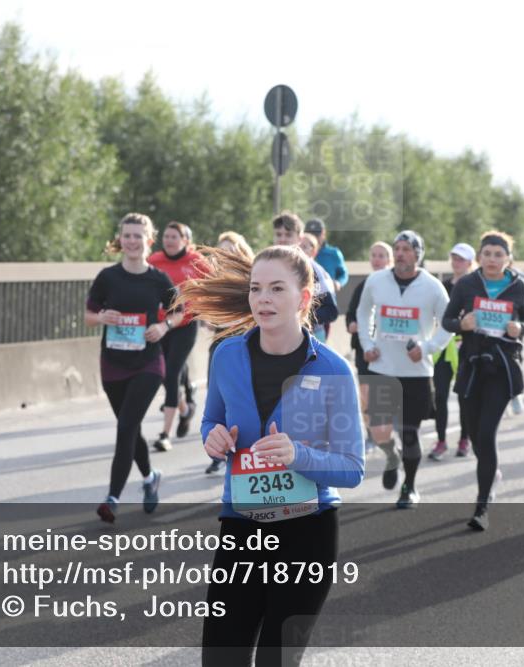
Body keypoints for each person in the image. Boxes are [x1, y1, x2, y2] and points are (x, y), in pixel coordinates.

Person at [179, 244, 364, 667]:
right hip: (242, 525)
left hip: (307, 533)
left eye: (277, 288)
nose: (263, 299)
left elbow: (352, 469)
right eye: (256, 288)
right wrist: (213, 438)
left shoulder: (333, 370)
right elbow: (211, 422)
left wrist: (297, 454)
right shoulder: (226, 355)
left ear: (303, 298)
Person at [85, 214, 177, 522]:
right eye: (127, 235)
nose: (132, 241)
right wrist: (102, 318)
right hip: (112, 364)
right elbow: (88, 315)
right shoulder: (107, 277)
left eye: (138, 236)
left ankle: (112, 498)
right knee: (130, 427)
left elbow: (181, 312)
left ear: (149, 240)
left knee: (125, 427)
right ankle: (150, 478)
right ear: (120, 239)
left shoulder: (158, 279)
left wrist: (163, 327)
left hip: (149, 363)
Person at [442, 231, 524, 531]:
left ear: (508, 258)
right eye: (487, 253)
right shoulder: (467, 284)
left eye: (499, 254)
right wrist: (461, 324)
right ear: (479, 256)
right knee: (476, 433)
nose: (492, 259)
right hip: (472, 365)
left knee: (486, 432)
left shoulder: (517, 285)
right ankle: (490, 471)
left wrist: (519, 327)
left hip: (502, 366)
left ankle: (482, 505)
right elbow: (446, 320)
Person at [356, 231, 451, 509]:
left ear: (418, 254)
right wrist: (367, 343)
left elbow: (448, 322)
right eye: (397, 248)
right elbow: (363, 312)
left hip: (416, 373)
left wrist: (428, 346)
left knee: (409, 433)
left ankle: (409, 487)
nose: (399, 253)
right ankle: (390, 456)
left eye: (406, 249)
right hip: (382, 367)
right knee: (379, 432)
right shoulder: (376, 280)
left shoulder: (433, 287)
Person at [148, 221, 210, 452]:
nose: (169, 240)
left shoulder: (196, 261)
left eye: (175, 237)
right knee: (167, 371)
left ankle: (165, 433)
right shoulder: (154, 261)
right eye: (166, 236)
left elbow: (212, 286)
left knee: (172, 371)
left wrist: (207, 311)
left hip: (186, 323)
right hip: (160, 324)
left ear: (185, 240)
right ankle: (185, 409)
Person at [202, 232, 257, 476]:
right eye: (221, 250)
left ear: (241, 251)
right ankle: (218, 450)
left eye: (230, 249)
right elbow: (206, 315)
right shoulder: (214, 280)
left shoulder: (252, 279)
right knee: (217, 399)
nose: (226, 255)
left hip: (245, 343)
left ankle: (249, 447)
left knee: (243, 398)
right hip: (219, 342)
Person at [345, 241, 393, 457]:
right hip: (364, 349)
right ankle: (371, 436)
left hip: (389, 350)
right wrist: (352, 325)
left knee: (384, 393)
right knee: (365, 395)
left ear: (390, 260)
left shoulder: (396, 287)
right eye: (374, 255)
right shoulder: (363, 286)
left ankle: (387, 432)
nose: (377, 259)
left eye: (381, 255)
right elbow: (350, 316)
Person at [430, 243, 474, 460]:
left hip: (465, 347)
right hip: (443, 348)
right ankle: (440, 441)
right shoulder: (442, 286)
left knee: (465, 397)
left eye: (461, 259)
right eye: (454, 258)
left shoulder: (475, 287)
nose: (457, 262)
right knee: (440, 395)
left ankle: (465, 439)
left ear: (470, 263)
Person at [271, 212, 338, 340]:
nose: (282, 239)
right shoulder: (267, 266)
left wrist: (296, 318)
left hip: (311, 339)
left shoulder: (313, 269)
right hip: (277, 338)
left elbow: (331, 310)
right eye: (279, 234)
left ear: (300, 238)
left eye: (288, 235)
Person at [304, 218, 348, 290]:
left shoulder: (334, 253)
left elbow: (343, 274)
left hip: (327, 296)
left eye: (316, 235)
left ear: (323, 233)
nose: (314, 238)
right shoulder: (300, 253)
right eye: (310, 235)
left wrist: (338, 282)